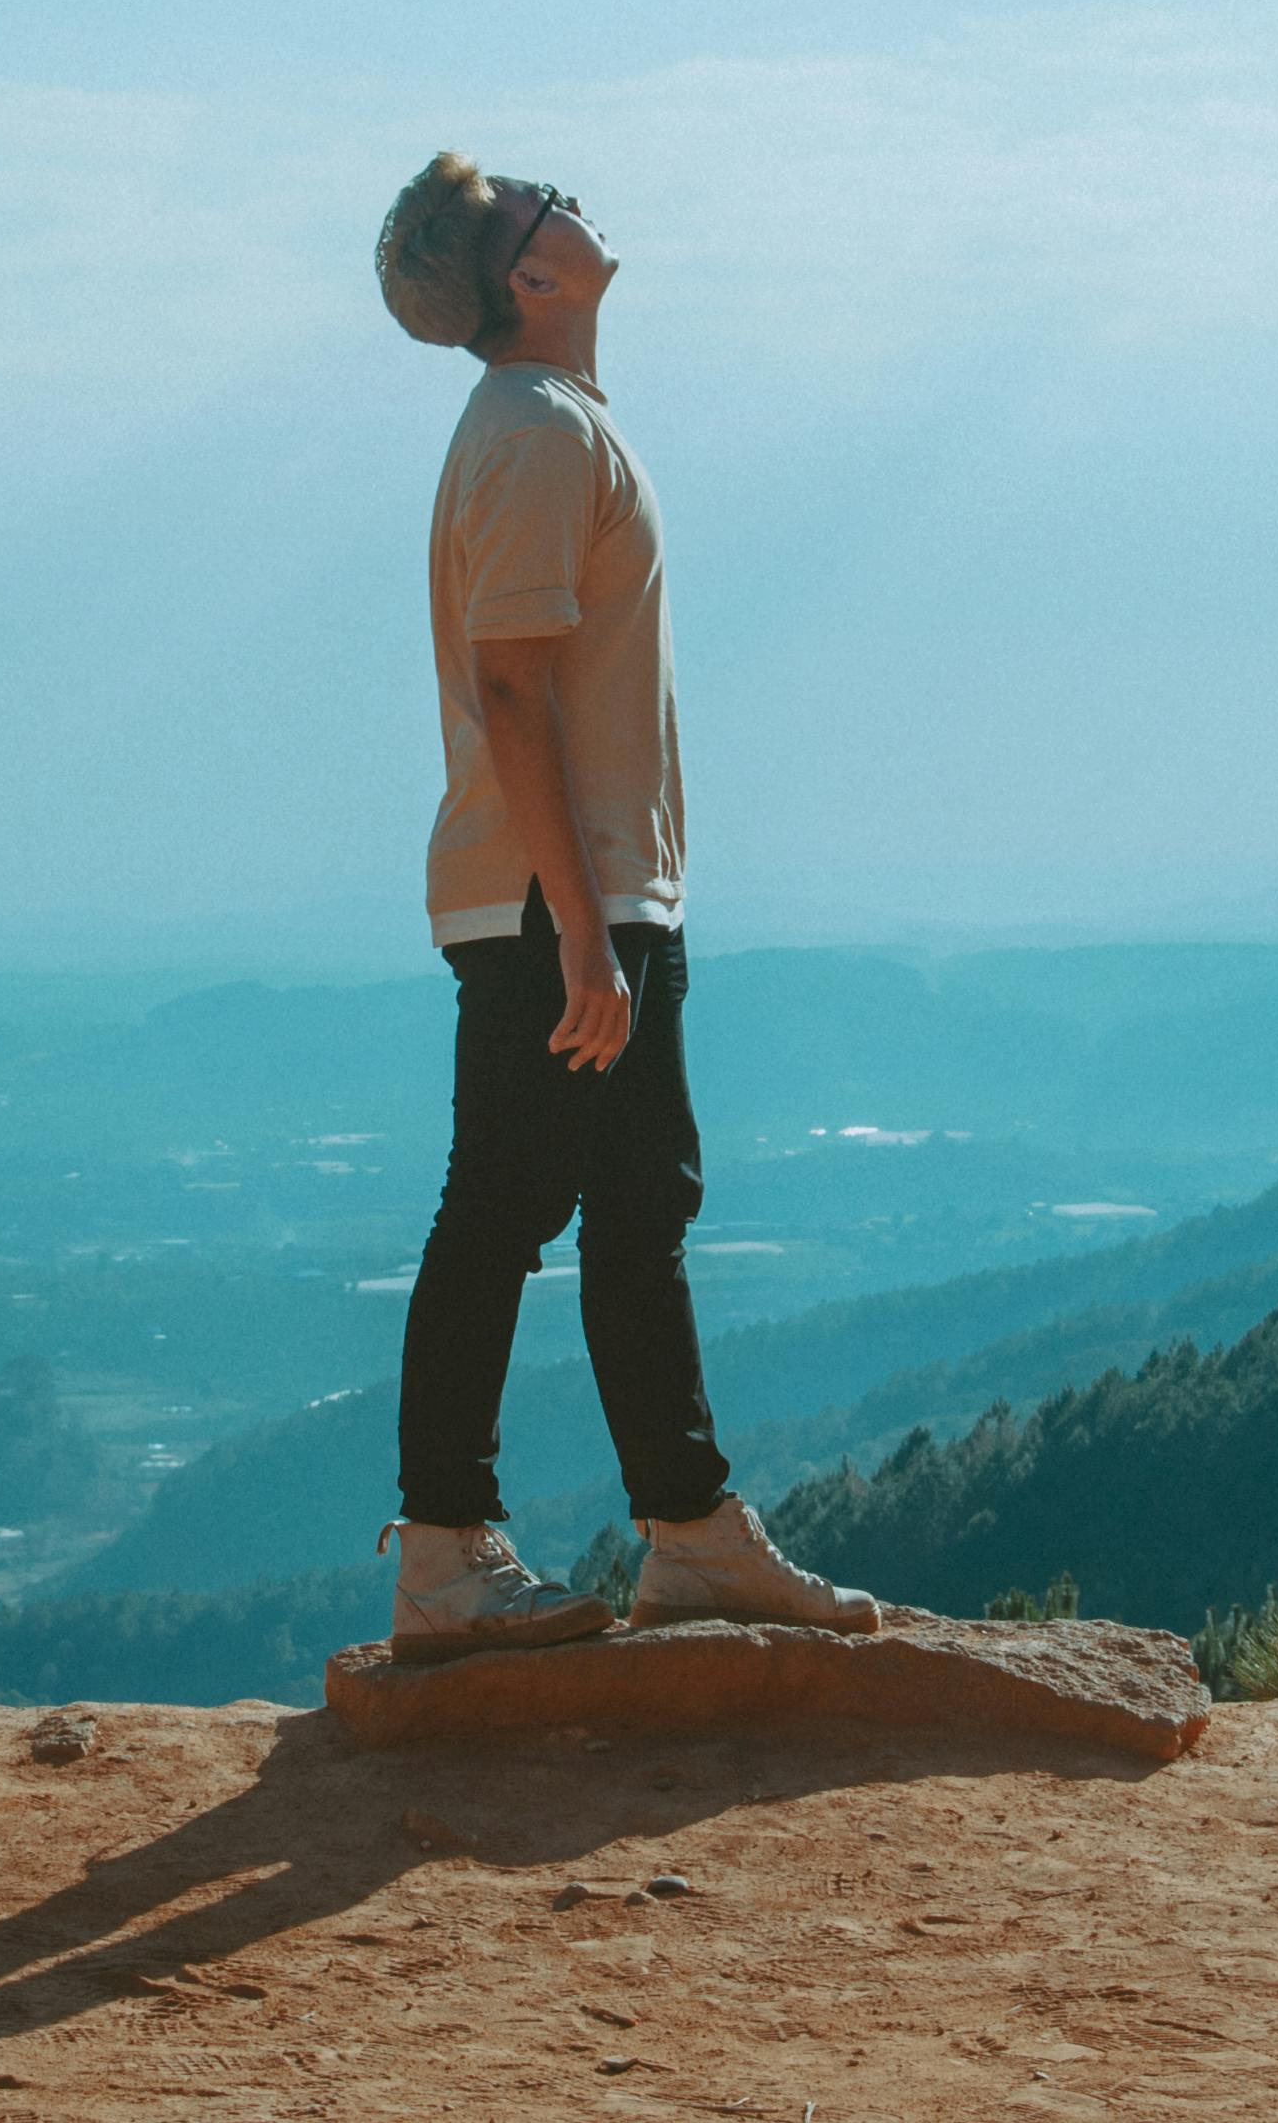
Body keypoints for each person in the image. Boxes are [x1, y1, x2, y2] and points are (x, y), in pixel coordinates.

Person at [366, 151, 879, 1658]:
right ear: (528, 274)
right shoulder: (530, 432)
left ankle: (693, 1534)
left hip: (588, 891)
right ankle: (447, 1556)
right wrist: (582, 928)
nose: (569, 196)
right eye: (539, 195)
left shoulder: (554, 423)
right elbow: (511, 685)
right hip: (558, 900)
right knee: (509, 1208)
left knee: (638, 1208)